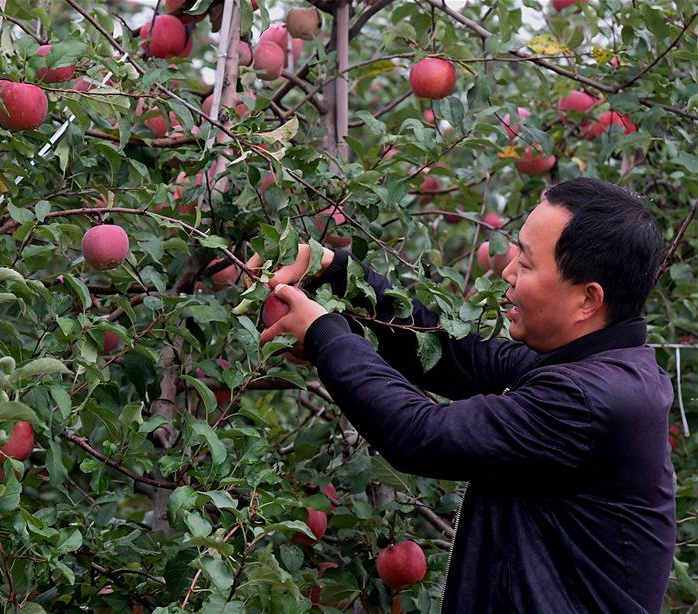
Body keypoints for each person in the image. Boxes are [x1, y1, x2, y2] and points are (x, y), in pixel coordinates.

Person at [248, 178, 675, 613]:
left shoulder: (588, 400)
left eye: (526, 265)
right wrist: (339, 273)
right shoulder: (587, 367)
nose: (508, 272)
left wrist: (325, 335)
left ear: (588, 299)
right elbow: (455, 356)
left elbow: (419, 434)